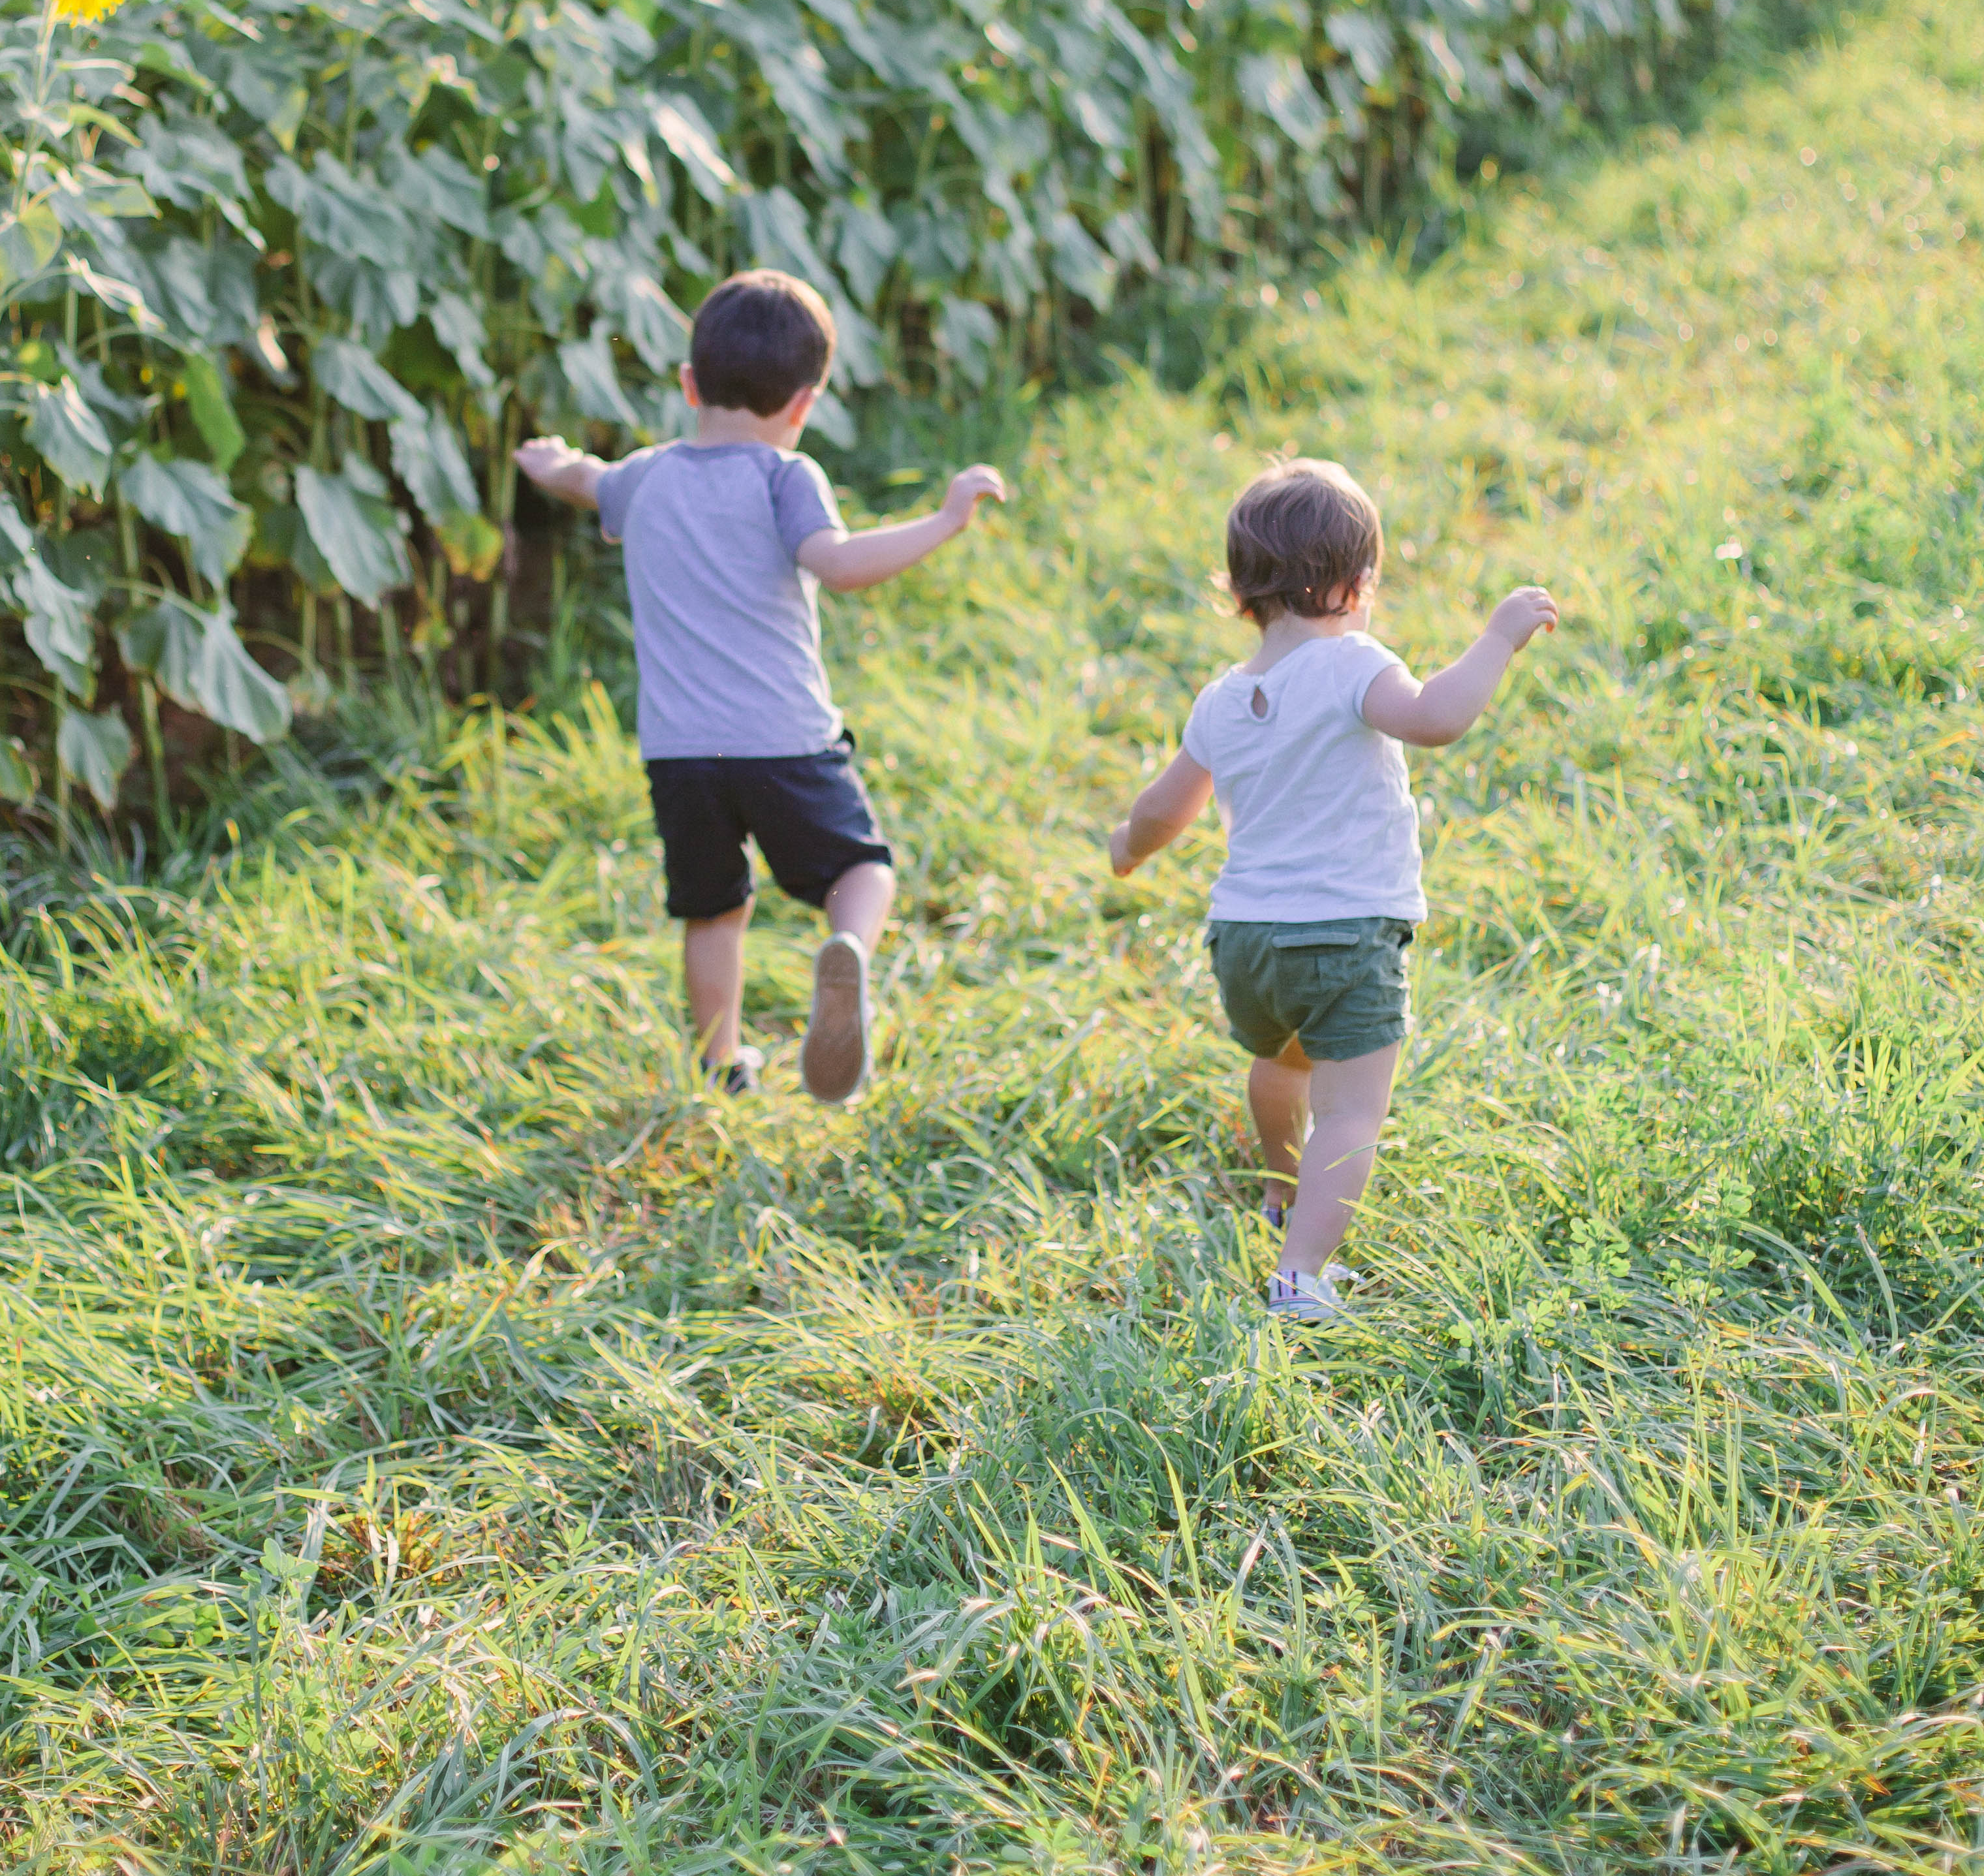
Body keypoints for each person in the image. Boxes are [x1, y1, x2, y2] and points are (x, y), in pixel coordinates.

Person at [518, 270, 1005, 1104]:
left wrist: (549, 461)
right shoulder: (787, 478)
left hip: (680, 755)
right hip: (784, 740)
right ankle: (845, 951)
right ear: (803, 404)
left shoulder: (645, 477)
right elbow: (841, 568)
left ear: (688, 385)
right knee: (863, 871)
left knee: (713, 910)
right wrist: (946, 518)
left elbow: (586, 480)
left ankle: (721, 1064)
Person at [1108, 456, 1556, 1318]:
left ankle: (1281, 1190)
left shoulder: (1221, 700)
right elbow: (1435, 719)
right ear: (1356, 585)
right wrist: (1497, 638)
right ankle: (1301, 1274)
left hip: (1244, 942)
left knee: (1279, 1068)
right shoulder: (1352, 665)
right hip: (1347, 937)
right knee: (1351, 1112)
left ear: (1242, 596)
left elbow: (1166, 810)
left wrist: (1127, 847)